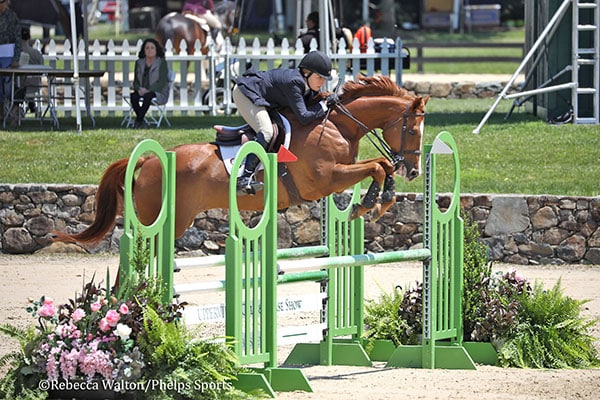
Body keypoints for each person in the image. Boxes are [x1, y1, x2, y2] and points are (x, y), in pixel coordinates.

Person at [232, 50, 339, 195]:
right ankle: (244, 178)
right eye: (319, 77)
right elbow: (304, 116)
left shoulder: (306, 85)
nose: (323, 82)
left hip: (266, 98)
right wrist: (325, 105)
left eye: (324, 78)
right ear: (307, 73)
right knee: (267, 132)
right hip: (247, 94)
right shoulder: (294, 82)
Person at [130, 38, 169, 129]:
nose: (149, 50)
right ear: (144, 50)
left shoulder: (162, 63)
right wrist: (138, 89)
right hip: (142, 90)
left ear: (156, 50)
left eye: (152, 48)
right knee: (133, 96)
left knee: (148, 96)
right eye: (147, 48)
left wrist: (148, 90)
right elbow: (135, 81)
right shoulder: (139, 63)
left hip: (157, 91)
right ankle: (141, 121)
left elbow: (162, 82)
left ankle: (138, 121)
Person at [17, 26, 44, 114]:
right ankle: (31, 102)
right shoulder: (36, 53)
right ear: (29, 37)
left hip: (19, 86)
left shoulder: (16, 53)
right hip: (35, 86)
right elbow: (41, 70)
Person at [0, 0, 22, 109]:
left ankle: (14, 111)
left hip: (7, 55)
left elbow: (18, 39)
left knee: (8, 86)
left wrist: (16, 58)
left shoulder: (12, 17)